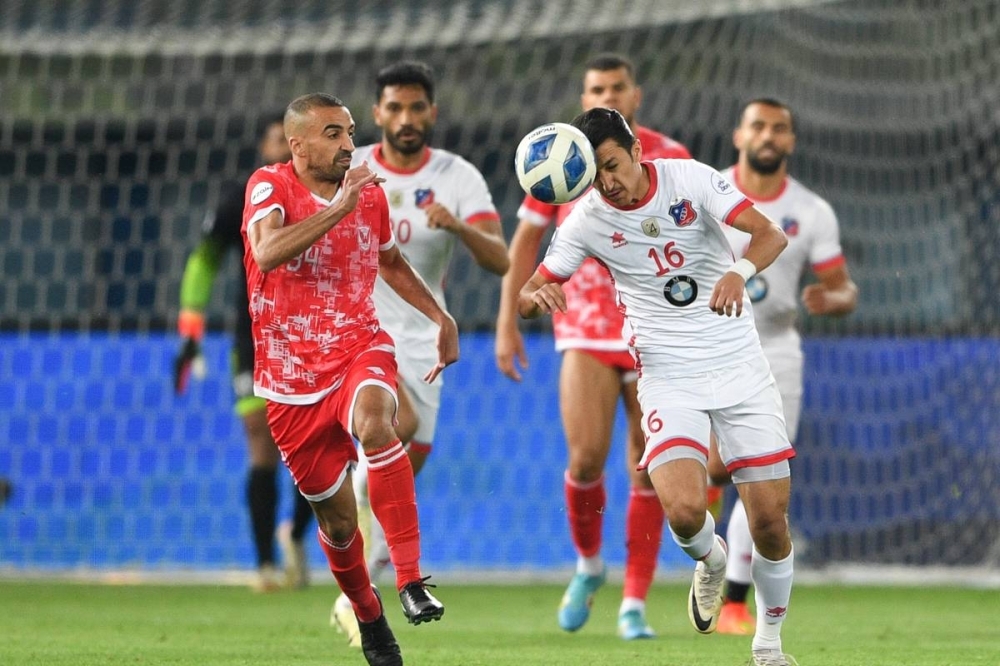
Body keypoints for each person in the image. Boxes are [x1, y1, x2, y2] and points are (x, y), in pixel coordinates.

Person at [518, 107, 798, 666]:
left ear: (637, 152)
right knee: (687, 514)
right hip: (667, 374)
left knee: (770, 522)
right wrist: (535, 298)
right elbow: (531, 289)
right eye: (595, 174)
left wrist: (737, 272)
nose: (607, 182)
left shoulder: (689, 179)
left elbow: (769, 235)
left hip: (739, 363)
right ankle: (711, 560)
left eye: (613, 166)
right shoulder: (588, 219)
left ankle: (768, 645)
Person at [242, 92, 458, 666]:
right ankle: (368, 612)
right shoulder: (269, 185)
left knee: (379, 423)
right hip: (289, 381)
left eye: (351, 132)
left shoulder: (368, 195)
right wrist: (340, 206)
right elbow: (267, 253)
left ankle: (410, 579)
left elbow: (389, 261)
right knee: (338, 526)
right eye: (333, 133)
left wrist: (439, 316)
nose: (348, 144)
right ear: (297, 144)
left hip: (359, 347)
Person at [495, 53, 692, 639]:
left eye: (617, 87)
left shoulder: (672, 157)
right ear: (583, 99)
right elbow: (524, 243)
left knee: (648, 466)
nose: (607, 96)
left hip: (655, 326)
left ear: (636, 96)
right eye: (596, 88)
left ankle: (634, 602)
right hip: (585, 323)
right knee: (585, 458)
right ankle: (588, 566)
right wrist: (507, 321)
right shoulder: (555, 157)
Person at [332, 60, 508, 643]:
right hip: (359, 327)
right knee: (391, 425)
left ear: (431, 112)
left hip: (424, 335)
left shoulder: (457, 176)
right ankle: (358, 590)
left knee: (404, 470)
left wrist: (458, 226)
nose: (405, 118)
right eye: (394, 108)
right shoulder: (352, 170)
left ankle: (359, 585)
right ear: (377, 114)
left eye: (415, 108)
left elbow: (501, 258)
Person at [712, 98, 858, 636]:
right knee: (710, 473)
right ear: (739, 135)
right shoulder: (707, 194)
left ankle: (733, 602)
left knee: (761, 476)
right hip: (708, 345)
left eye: (779, 128)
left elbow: (844, 288)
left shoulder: (812, 210)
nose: (768, 136)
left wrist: (835, 299)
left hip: (776, 350)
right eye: (758, 126)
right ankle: (706, 554)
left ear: (791, 141)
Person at [174, 115, 315, 592]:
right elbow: (204, 260)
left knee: (311, 449)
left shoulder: (323, 196)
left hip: (312, 337)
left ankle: (295, 535)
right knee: (260, 440)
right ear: (263, 145)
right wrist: (190, 330)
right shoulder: (243, 196)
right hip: (253, 338)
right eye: (277, 139)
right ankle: (265, 565)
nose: (285, 148)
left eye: (293, 141)